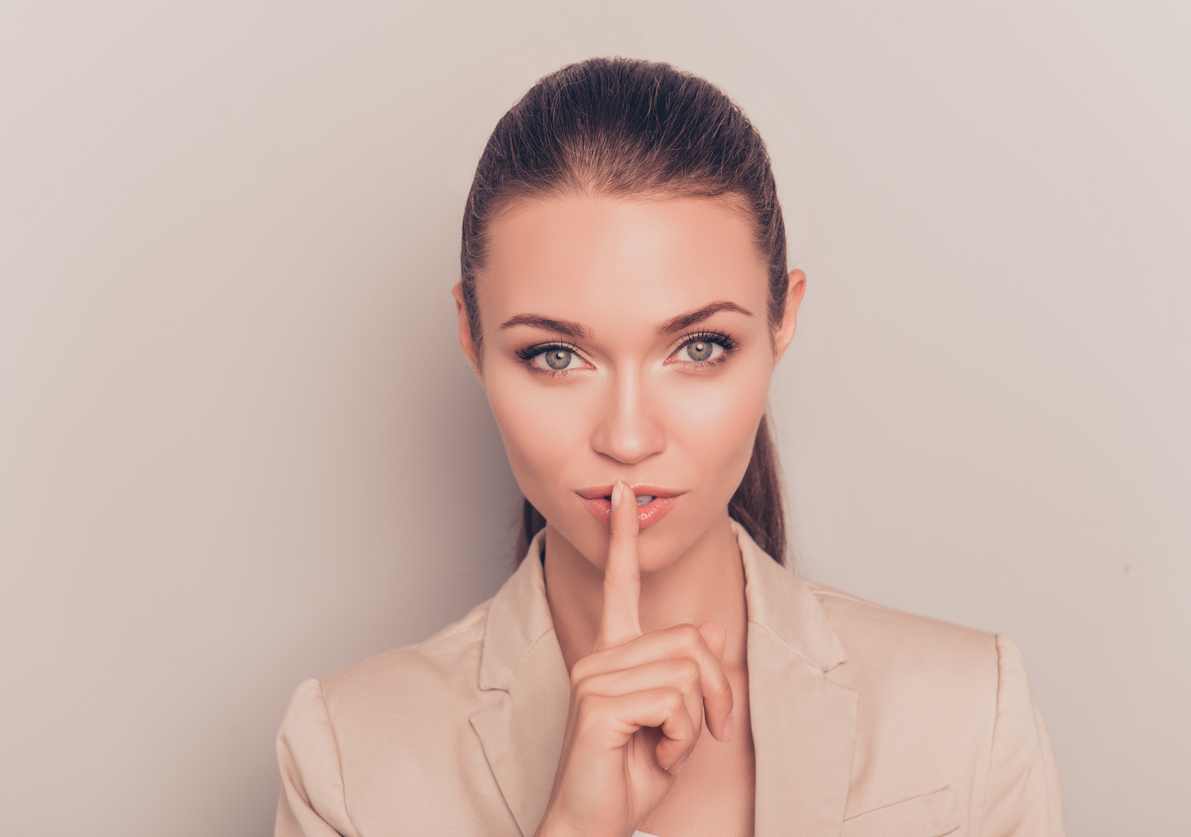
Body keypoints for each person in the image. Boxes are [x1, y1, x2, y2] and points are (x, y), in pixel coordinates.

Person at [273, 57, 1066, 837]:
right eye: (556, 355)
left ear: (782, 319)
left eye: (699, 347)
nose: (627, 437)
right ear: (470, 335)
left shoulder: (968, 719)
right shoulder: (349, 761)